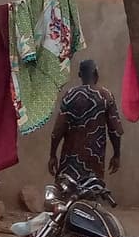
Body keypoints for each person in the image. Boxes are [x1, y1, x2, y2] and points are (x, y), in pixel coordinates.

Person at [48, 59, 122, 191]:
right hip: (94, 162)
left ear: (79, 75)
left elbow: (58, 130)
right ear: (96, 73)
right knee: (91, 196)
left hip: (69, 163)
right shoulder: (105, 95)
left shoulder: (70, 95)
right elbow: (115, 130)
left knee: (65, 196)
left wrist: (53, 155)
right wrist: (116, 155)